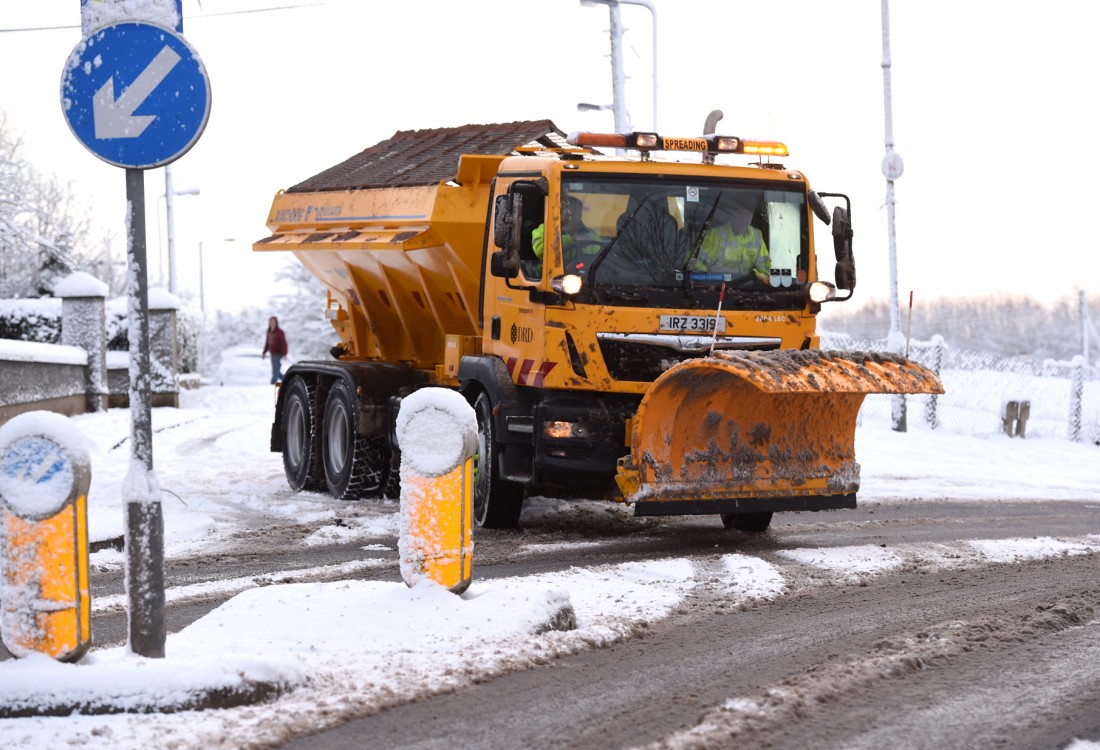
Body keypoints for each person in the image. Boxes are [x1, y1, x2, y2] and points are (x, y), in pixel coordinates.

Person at [695, 202, 771, 283]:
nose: (744, 219)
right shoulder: (716, 235)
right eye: (740, 214)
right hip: (717, 287)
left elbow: (764, 265)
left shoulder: (757, 235)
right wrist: (708, 280)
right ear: (732, 215)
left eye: (747, 215)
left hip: (745, 287)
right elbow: (697, 263)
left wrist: (761, 276)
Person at [531, 195, 603, 274]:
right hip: (547, 275)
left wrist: (588, 239)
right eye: (561, 214)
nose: (563, 218)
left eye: (569, 215)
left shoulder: (591, 235)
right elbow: (540, 250)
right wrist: (572, 240)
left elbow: (600, 257)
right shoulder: (545, 229)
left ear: (579, 216)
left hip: (580, 275)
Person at [262, 316, 288, 384]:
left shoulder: (279, 332)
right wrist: (264, 352)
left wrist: (284, 353)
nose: (272, 323)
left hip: (278, 353)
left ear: (276, 323)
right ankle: (287, 381)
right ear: (269, 323)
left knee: (275, 370)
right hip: (272, 353)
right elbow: (267, 343)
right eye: (271, 322)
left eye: (274, 322)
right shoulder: (268, 332)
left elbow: (284, 343)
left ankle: (273, 383)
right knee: (276, 371)